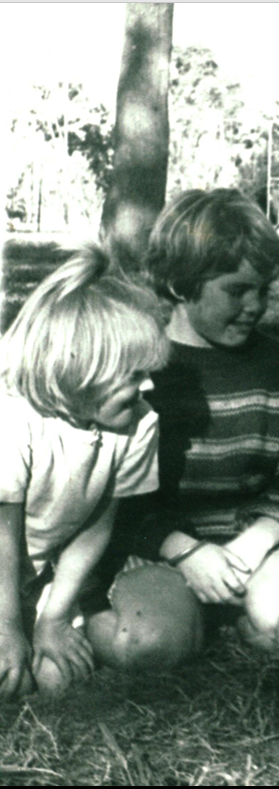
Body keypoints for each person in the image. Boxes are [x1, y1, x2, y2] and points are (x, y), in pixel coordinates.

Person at [108, 189, 279, 666]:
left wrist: (256, 542)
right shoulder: (139, 369)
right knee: (152, 645)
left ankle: (235, 621)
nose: (255, 305)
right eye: (237, 290)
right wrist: (185, 553)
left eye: (263, 289)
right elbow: (114, 493)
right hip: (163, 548)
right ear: (182, 284)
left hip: (254, 546)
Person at [0, 246, 168, 699]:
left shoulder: (139, 422)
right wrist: (7, 626)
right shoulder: (14, 418)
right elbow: (3, 532)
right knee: (8, 672)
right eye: (134, 376)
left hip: (35, 577)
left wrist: (53, 616)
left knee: (53, 682)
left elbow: (97, 524)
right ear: (81, 373)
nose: (148, 387)